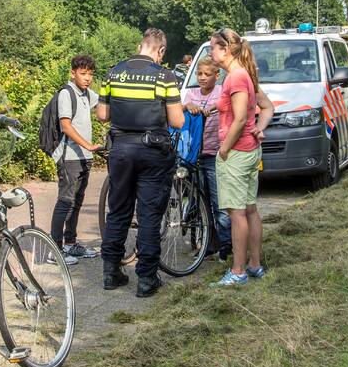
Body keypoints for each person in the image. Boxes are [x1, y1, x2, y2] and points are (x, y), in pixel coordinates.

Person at [97, 28, 185, 298]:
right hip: (153, 153)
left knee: (119, 210)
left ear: (140, 46)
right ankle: (146, 279)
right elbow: (177, 121)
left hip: (121, 150)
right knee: (148, 215)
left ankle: (111, 272)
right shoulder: (164, 76)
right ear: (160, 51)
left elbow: (102, 115)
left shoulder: (114, 72)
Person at [208, 28, 274, 287]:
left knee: (237, 214)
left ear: (225, 49)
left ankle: (238, 271)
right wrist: (260, 127)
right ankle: (254, 265)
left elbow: (239, 119)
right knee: (250, 210)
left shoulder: (235, 77)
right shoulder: (246, 75)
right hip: (249, 150)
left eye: (213, 47)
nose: (211, 52)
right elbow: (266, 107)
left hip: (236, 153)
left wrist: (224, 147)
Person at [51, 54, 103, 265]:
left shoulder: (86, 94)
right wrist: (88, 145)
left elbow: (106, 103)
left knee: (77, 201)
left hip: (84, 157)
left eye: (90, 74)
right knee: (65, 200)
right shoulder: (67, 93)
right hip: (69, 156)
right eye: (83, 74)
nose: (87, 78)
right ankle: (54, 249)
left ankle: (70, 243)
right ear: (73, 73)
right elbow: (66, 126)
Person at [183, 55, 231, 260]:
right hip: (196, 156)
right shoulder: (191, 93)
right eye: (199, 73)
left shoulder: (221, 92)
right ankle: (209, 243)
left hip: (215, 154)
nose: (202, 77)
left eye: (207, 74)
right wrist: (187, 107)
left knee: (219, 203)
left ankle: (227, 245)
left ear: (217, 75)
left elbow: (227, 108)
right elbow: (178, 110)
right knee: (201, 202)